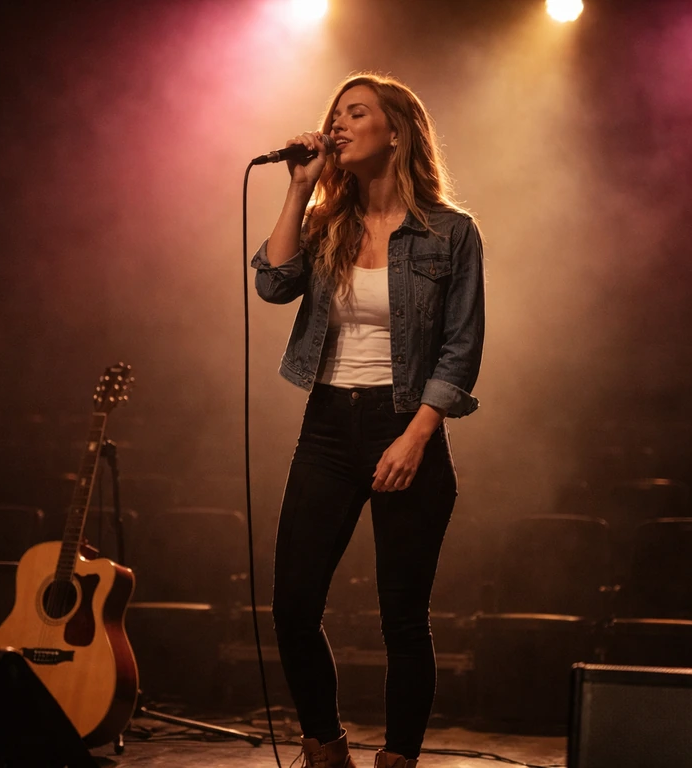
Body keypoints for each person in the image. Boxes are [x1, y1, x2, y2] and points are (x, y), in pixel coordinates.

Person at [251, 73, 485, 768]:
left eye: (358, 113)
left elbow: (462, 346)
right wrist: (298, 187)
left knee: (402, 620)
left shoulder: (452, 232)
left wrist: (417, 435)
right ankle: (324, 747)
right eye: (337, 114)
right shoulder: (328, 222)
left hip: (405, 421)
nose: (341, 124)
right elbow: (271, 282)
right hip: (326, 424)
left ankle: (399, 760)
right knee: (292, 607)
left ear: (397, 131)